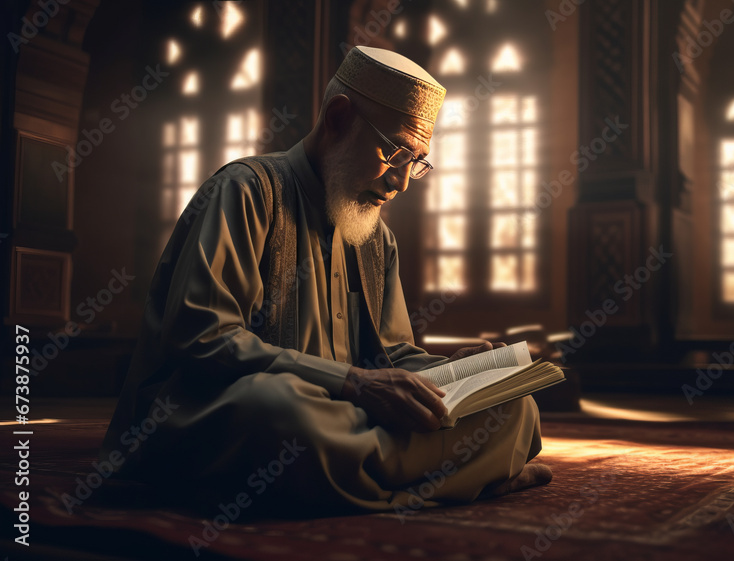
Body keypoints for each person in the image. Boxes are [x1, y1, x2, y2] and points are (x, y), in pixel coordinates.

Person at [99, 46, 551, 515]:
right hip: (231, 411)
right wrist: (352, 384)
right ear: (338, 118)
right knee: (280, 412)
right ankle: (466, 478)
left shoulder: (378, 238)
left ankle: (377, 479)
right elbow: (202, 339)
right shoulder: (246, 192)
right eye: (394, 151)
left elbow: (391, 356)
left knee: (515, 406)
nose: (402, 182)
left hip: (346, 420)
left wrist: (453, 372)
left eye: (416, 161)